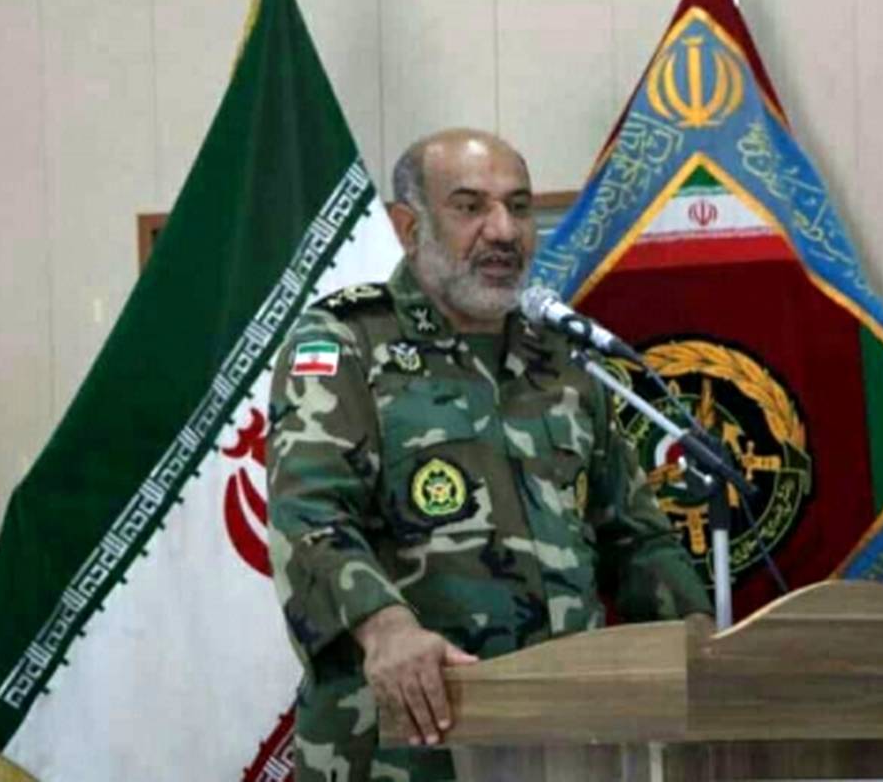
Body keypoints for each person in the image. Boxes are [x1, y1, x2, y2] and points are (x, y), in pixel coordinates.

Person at [266, 128, 711, 782]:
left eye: (519, 207)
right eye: (470, 207)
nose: (503, 230)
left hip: (569, 741)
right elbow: (311, 517)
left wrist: (701, 637)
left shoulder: (563, 361)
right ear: (409, 226)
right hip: (406, 744)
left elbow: (634, 536)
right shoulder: (345, 342)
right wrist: (386, 629)